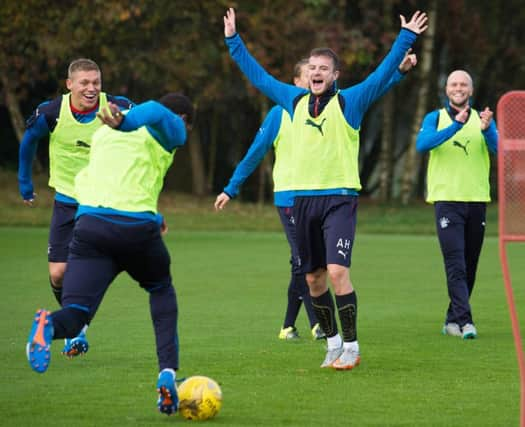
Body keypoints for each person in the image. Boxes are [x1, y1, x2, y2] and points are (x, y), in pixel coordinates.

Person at [223, 7, 428, 370]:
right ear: (306, 75)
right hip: (302, 201)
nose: (317, 73)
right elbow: (259, 77)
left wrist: (406, 37)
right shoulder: (293, 100)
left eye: (324, 68)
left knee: (336, 272)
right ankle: (332, 342)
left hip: (339, 199)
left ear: (335, 75)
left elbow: (382, 75)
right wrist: (233, 41)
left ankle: (351, 345)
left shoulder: (351, 101)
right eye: (312, 68)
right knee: (313, 277)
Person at [25, 93, 194, 416]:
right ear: (184, 119)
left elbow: (117, 177)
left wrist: (123, 122)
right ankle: (167, 373)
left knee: (76, 314)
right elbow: (159, 111)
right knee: (160, 289)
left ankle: (48, 326)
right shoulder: (172, 127)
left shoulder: (103, 132)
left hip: (90, 227)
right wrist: (129, 120)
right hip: (134, 228)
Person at [18, 58, 135, 357]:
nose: (91, 88)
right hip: (66, 203)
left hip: (100, 204)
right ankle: (76, 326)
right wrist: (25, 182)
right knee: (58, 274)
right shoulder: (52, 112)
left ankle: (72, 324)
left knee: (89, 269)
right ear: (69, 84)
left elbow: (148, 124)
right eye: (84, 82)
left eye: (96, 82)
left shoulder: (116, 107)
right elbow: (29, 140)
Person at [215, 58, 325, 341]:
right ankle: (317, 323)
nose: (314, 78)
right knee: (303, 260)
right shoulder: (279, 114)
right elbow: (255, 153)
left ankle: (290, 325)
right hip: (289, 198)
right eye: (307, 74)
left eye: (319, 72)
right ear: (295, 83)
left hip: (318, 197)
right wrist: (231, 188)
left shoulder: (327, 112)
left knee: (305, 261)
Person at [416, 70, 498, 340]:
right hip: (447, 200)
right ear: (446, 89)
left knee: (470, 264)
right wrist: (456, 126)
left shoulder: (483, 119)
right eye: (453, 84)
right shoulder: (435, 118)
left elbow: (499, 149)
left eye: (463, 84)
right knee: (456, 264)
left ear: (471, 91)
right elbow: (422, 144)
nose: (458, 88)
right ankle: (466, 322)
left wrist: (487, 132)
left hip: (476, 201)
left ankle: (452, 319)